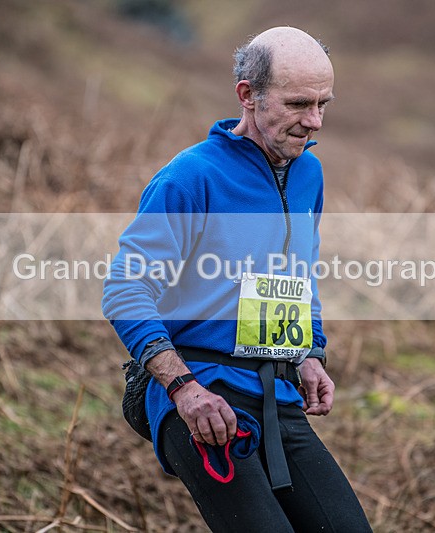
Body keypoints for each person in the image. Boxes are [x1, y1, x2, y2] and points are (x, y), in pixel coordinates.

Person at [103, 26, 371, 532]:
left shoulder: (308, 174)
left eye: (322, 104)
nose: (313, 122)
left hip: (277, 393)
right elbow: (125, 287)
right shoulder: (190, 178)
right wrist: (184, 389)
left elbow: (298, 274)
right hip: (203, 394)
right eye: (297, 104)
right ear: (248, 95)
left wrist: (310, 352)